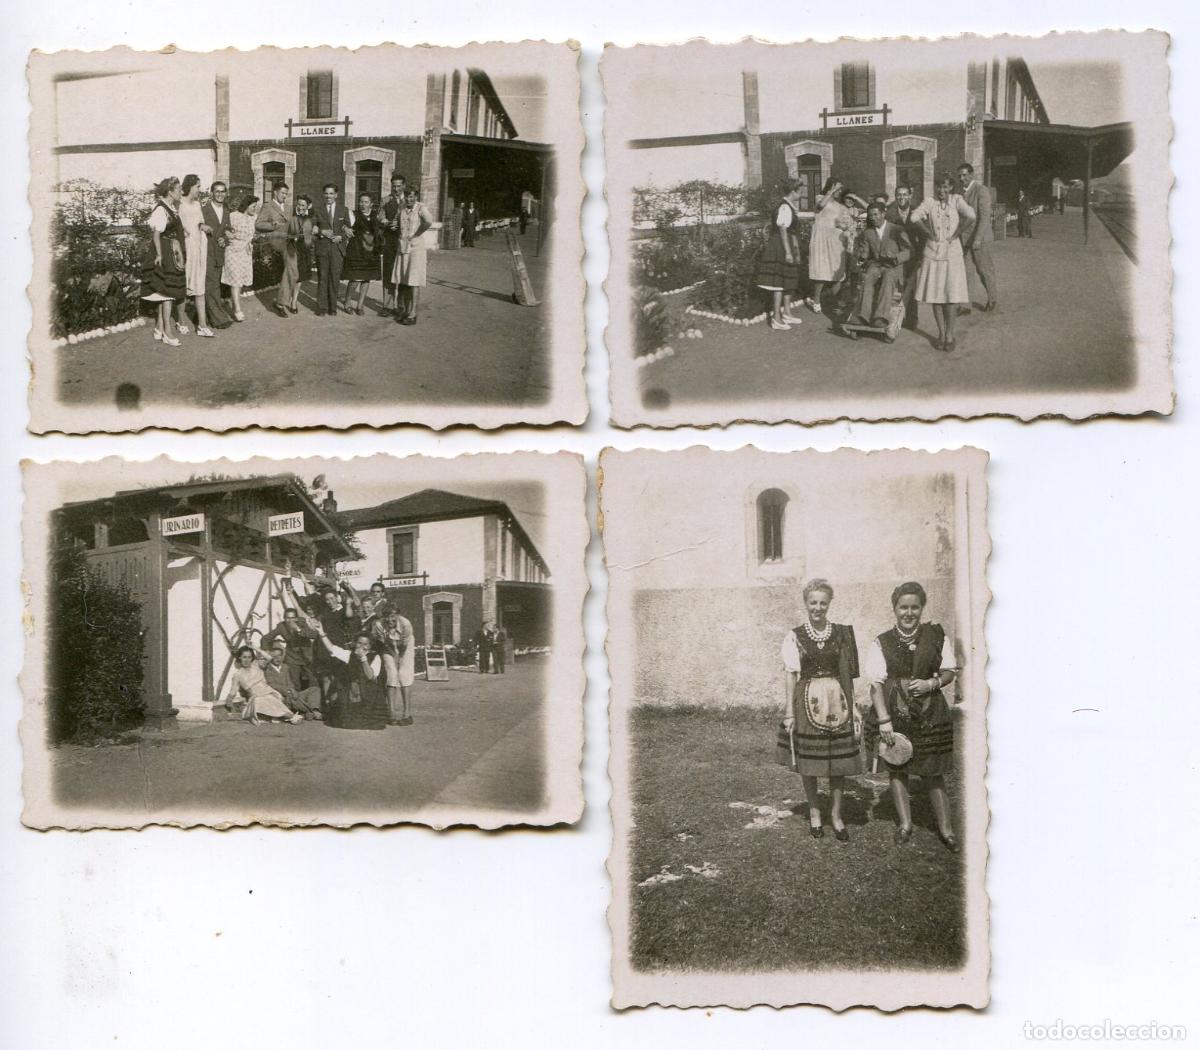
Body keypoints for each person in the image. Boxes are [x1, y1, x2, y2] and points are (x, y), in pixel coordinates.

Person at [865, 582, 959, 851]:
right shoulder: (881, 641)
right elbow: (875, 685)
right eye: (903, 607)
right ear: (894, 608)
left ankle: (946, 829)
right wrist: (884, 720)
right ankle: (905, 824)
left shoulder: (936, 636)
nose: (909, 613)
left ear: (922, 608)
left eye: (914, 607)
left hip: (929, 711)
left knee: (934, 770)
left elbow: (949, 671)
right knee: (897, 766)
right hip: (895, 710)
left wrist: (931, 684)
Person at [778, 579, 863, 842]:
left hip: (837, 701)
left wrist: (855, 705)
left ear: (829, 603)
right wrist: (789, 712)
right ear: (806, 603)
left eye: (822, 603)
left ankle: (836, 816)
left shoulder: (841, 633)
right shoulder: (795, 636)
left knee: (838, 761)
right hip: (807, 700)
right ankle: (815, 812)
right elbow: (791, 675)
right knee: (810, 762)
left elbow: (847, 674)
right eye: (813, 602)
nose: (818, 608)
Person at [910, 172, 976, 352]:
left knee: (951, 297)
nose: (942, 190)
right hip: (932, 253)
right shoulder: (930, 202)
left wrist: (956, 234)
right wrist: (928, 233)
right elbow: (914, 217)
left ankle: (950, 334)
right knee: (936, 296)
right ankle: (940, 333)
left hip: (952, 253)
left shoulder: (957, 200)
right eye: (939, 187)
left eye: (946, 187)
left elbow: (971, 216)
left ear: (951, 188)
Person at [805, 178, 866, 314]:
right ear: (831, 186)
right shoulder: (820, 197)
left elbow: (842, 220)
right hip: (821, 236)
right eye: (838, 189)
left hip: (835, 239)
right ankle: (816, 300)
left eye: (839, 190)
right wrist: (832, 190)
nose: (839, 192)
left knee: (838, 271)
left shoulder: (840, 206)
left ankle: (830, 300)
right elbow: (820, 206)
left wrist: (844, 226)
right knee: (821, 270)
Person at [312, 625, 390, 731]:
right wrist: (321, 633)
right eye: (359, 643)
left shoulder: (375, 657)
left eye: (365, 644)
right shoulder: (349, 654)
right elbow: (332, 650)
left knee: (369, 721)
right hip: (352, 691)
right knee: (342, 719)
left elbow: (370, 676)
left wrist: (363, 658)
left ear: (370, 646)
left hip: (368, 693)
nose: (362, 646)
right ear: (355, 643)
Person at [140, 177, 187, 347]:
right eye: (179, 189)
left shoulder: (171, 207)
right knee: (167, 292)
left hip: (172, 251)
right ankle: (167, 332)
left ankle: (159, 328)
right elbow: (156, 234)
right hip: (165, 252)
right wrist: (159, 255)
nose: (181, 192)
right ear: (170, 191)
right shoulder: (161, 209)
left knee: (165, 292)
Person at [848, 202, 911, 328]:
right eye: (871, 215)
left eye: (876, 214)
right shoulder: (868, 233)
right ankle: (862, 316)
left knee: (888, 279)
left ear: (883, 213)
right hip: (876, 265)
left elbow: (909, 251)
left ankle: (880, 317)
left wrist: (896, 258)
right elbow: (865, 253)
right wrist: (860, 257)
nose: (873, 218)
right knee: (867, 277)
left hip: (893, 266)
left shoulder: (896, 229)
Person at [755, 178, 805, 331]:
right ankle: (776, 318)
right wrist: (788, 252)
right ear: (792, 192)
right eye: (800, 191)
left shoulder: (789, 206)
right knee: (779, 282)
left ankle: (787, 313)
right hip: (780, 246)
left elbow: (792, 232)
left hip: (788, 243)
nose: (802, 193)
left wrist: (795, 250)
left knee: (789, 279)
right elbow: (783, 229)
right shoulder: (784, 207)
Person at [224, 644, 304, 725]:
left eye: (249, 657)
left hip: (270, 693)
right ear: (239, 658)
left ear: (252, 658)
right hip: (256, 698)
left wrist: (255, 648)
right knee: (259, 701)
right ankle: (288, 716)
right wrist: (229, 702)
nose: (247, 660)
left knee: (270, 698)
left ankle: (287, 716)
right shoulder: (238, 675)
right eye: (244, 657)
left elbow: (270, 658)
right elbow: (233, 692)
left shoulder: (256, 665)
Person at [957, 163, 998, 313]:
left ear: (972, 174)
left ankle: (992, 299)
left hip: (980, 239)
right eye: (960, 176)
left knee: (984, 270)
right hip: (965, 240)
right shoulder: (960, 194)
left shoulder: (981, 191)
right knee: (966, 273)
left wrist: (978, 238)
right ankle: (966, 305)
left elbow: (985, 216)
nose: (962, 178)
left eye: (965, 175)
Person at [392, 187, 433, 326]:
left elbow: (428, 222)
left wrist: (417, 233)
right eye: (407, 197)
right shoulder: (402, 208)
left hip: (416, 248)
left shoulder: (421, 208)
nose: (409, 199)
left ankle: (413, 313)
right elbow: (398, 223)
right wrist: (395, 227)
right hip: (403, 247)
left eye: (412, 197)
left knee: (414, 280)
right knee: (403, 279)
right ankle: (403, 309)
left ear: (416, 197)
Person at [371, 604, 416, 725]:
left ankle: (407, 715)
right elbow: (385, 643)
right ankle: (391, 714)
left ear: (398, 615)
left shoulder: (406, 624)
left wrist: (399, 658)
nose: (389, 620)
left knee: (403, 675)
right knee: (392, 675)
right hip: (388, 647)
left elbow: (404, 645)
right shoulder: (379, 625)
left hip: (405, 647)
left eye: (393, 617)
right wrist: (394, 657)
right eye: (386, 617)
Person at [312, 183, 352, 317]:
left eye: (331, 193)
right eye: (326, 193)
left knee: (335, 278)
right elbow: (313, 227)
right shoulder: (318, 210)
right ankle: (321, 306)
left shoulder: (343, 209)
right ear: (323, 195)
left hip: (337, 249)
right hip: (322, 248)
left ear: (336, 195)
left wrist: (341, 237)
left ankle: (332, 306)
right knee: (323, 277)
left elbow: (348, 228)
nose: (328, 196)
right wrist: (322, 232)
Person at [885, 184, 922, 330]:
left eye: (905, 194)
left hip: (913, 255)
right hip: (896, 254)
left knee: (910, 286)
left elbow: (923, 236)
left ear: (910, 196)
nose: (902, 197)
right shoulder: (889, 214)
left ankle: (912, 318)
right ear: (896, 196)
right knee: (895, 285)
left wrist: (921, 255)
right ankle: (891, 317)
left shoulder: (917, 212)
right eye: (899, 195)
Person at [199, 181, 234, 329]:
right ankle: (218, 319)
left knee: (215, 284)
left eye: (223, 191)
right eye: (217, 191)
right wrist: (202, 227)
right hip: (206, 251)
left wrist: (225, 239)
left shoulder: (226, 211)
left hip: (219, 252)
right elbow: (196, 226)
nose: (220, 194)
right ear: (212, 193)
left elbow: (229, 230)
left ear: (226, 193)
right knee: (211, 284)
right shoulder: (203, 210)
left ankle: (206, 314)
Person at [255, 181, 292, 318]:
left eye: (286, 194)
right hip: (275, 240)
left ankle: (284, 301)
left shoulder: (288, 207)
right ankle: (281, 303)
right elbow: (258, 224)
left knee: (291, 268)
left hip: (287, 240)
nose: (284, 196)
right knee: (290, 267)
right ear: (275, 192)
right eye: (282, 193)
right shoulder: (268, 206)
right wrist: (272, 225)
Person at [341, 191, 381, 315]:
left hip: (370, 250)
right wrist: (345, 228)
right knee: (355, 278)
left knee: (366, 278)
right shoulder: (353, 214)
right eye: (361, 202)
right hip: (356, 250)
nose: (362, 204)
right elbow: (342, 224)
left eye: (366, 202)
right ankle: (347, 303)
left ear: (371, 204)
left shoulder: (376, 215)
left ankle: (360, 305)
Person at [263, 640, 323, 719]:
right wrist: (289, 691)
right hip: (282, 698)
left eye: (279, 656)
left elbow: (290, 682)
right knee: (292, 698)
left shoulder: (285, 667)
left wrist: (292, 689)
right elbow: (273, 685)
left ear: (282, 656)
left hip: (292, 694)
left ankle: (311, 711)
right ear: (271, 657)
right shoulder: (267, 670)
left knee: (314, 689)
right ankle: (314, 713)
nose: (277, 658)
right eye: (274, 656)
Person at [222, 193, 258, 321]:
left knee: (241, 279)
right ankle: (237, 309)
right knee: (236, 280)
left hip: (245, 252)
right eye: (253, 206)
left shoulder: (254, 218)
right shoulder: (233, 216)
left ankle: (235, 305)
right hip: (233, 251)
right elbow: (223, 227)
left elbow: (259, 230)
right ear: (246, 206)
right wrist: (226, 233)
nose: (255, 209)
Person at [380, 175, 408, 316]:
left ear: (404, 186)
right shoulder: (386, 200)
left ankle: (401, 306)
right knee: (388, 272)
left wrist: (401, 224)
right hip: (389, 241)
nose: (396, 189)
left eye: (399, 186)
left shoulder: (409, 200)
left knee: (403, 273)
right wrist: (387, 223)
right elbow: (380, 216)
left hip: (404, 242)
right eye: (394, 186)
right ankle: (387, 305)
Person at [284, 194, 316, 314]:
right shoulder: (291, 217)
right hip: (292, 250)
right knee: (291, 277)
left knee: (299, 278)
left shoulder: (311, 219)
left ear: (308, 206)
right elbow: (286, 233)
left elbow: (312, 238)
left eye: (303, 205)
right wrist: (292, 237)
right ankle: (286, 299)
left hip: (304, 251)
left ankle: (294, 302)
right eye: (299, 204)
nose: (300, 207)